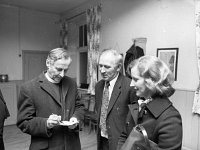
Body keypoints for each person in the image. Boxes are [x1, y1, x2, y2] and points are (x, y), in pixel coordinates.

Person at [17, 48, 84, 150]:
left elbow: (79, 106)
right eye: (59, 69)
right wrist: (46, 123)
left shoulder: (71, 83)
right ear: (48, 63)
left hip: (72, 145)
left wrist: (75, 118)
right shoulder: (28, 88)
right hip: (45, 146)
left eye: (66, 70)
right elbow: (24, 122)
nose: (62, 74)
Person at [117, 55, 182, 150]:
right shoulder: (137, 103)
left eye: (135, 79)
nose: (131, 84)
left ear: (151, 81)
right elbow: (124, 136)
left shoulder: (170, 118)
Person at [95, 49, 137, 150]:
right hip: (102, 138)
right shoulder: (99, 86)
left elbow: (135, 120)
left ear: (118, 67)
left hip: (120, 142)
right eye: (100, 66)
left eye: (107, 67)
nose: (102, 70)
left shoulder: (130, 86)